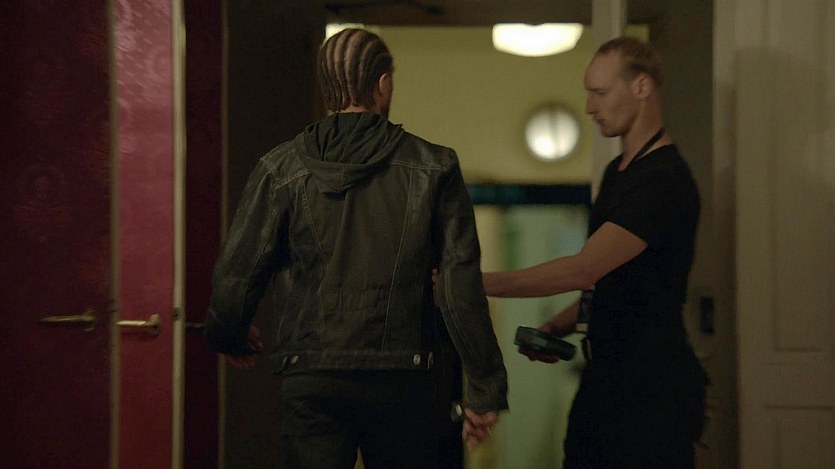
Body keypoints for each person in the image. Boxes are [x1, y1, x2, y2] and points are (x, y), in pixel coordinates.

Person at [204, 28, 507, 469]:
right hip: (406, 379)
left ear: (326, 87)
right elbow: (460, 285)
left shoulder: (279, 168)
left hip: (311, 375)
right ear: (383, 84)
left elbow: (238, 270)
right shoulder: (435, 167)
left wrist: (229, 332)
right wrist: (483, 387)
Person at [482, 36, 708, 468]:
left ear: (641, 87)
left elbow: (583, 270)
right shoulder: (618, 171)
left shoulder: (663, 179)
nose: (589, 107)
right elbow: (614, 283)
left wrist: (477, 283)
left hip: (650, 389)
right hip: (608, 377)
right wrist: (557, 325)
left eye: (600, 93)